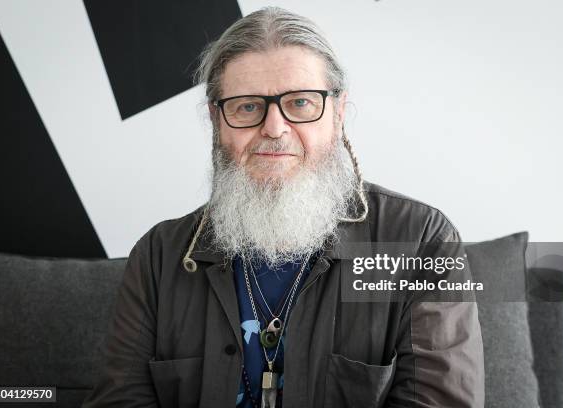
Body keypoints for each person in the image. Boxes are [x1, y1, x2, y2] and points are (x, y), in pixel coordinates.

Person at [83, 6, 484, 408]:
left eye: (301, 103)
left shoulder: (421, 241)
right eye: (247, 106)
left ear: (338, 111)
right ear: (216, 120)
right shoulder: (158, 257)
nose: (274, 128)